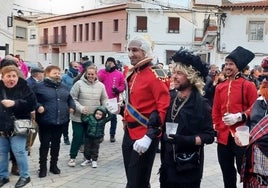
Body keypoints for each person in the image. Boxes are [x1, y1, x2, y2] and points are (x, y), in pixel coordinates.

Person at [159, 48, 215, 188]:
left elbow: (209, 136)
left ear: (190, 76)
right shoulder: (171, 97)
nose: (174, 76)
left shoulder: (201, 103)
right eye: (174, 73)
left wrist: (185, 140)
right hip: (168, 164)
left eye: (179, 73)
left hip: (188, 165)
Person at [122, 36, 170, 188]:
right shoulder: (133, 73)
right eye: (129, 50)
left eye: (135, 50)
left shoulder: (156, 74)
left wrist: (150, 136)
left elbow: (163, 107)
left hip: (145, 134)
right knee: (133, 179)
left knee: (137, 182)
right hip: (129, 132)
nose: (131, 54)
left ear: (146, 51)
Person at [212, 46, 258, 188]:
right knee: (226, 171)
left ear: (239, 66)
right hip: (223, 137)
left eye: (231, 64)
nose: (227, 67)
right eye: (226, 64)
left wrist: (240, 116)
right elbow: (215, 110)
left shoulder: (248, 85)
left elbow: (256, 108)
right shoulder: (220, 86)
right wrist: (217, 126)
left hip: (242, 135)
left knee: (244, 171)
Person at [32, 65, 76, 178]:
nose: (57, 75)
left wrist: (72, 106)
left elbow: (70, 98)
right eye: (55, 73)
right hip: (45, 121)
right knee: (45, 145)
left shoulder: (64, 86)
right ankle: (42, 168)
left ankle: (53, 166)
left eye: (58, 73)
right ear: (47, 74)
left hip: (60, 120)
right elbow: (32, 100)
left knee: (56, 145)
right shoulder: (39, 87)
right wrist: (38, 106)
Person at [0, 65, 36, 188]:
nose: (11, 79)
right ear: (2, 77)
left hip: (18, 127)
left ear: (17, 76)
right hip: (1, 126)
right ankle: (3, 176)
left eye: (14, 76)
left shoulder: (24, 87)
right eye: (8, 76)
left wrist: (15, 103)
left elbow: (32, 104)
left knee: (19, 152)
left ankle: (25, 176)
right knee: (2, 153)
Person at [236, 57, 268, 187]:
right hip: (253, 178)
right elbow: (249, 128)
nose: (264, 81)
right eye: (264, 78)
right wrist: (240, 136)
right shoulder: (259, 103)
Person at [68, 65, 108, 167]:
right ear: (85, 74)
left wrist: (103, 110)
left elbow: (104, 99)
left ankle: (87, 157)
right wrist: (80, 108)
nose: (90, 76)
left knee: (89, 138)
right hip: (78, 116)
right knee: (77, 136)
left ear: (96, 74)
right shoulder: (78, 84)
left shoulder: (101, 86)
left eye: (92, 74)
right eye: (88, 74)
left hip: (92, 118)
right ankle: (72, 157)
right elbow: (72, 99)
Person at [98, 57, 125, 142]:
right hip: (102, 99)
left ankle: (112, 135)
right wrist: (106, 71)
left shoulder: (119, 74)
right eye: (108, 62)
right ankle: (101, 135)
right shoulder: (102, 71)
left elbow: (123, 85)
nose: (109, 64)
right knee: (101, 118)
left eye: (111, 63)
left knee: (113, 118)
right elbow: (99, 80)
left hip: (113, 100)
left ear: (114, 64)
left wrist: (118, 89)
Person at [26, 67, 45, 156]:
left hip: (35, 109)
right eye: (42, 74)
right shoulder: (31, 83)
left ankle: (29, 146)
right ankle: (28, 146)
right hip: (32, 110)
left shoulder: (32, 82)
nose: (43, 76)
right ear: (38, 74)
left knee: (35, 128)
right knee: (33, 129)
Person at [61, 61, 80, 145]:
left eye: (78, 67)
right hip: (67, 102)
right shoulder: (64, 77)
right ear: (70, 67)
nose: (77, 69)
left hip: (78, 101)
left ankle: (76, 137)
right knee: (66, 121)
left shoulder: (80, 76)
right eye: (75, 67)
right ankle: (66, 137)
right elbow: (62, 89)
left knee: (76, 121)